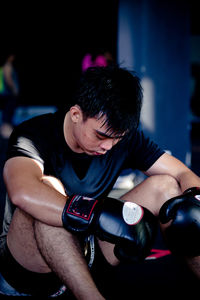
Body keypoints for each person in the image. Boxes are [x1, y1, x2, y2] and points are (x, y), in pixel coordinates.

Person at [0, 65, 200, 299]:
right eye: (101, 136)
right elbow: (22, 192)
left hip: (86, 252)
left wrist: (193, 198)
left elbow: (183, 174)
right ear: (76, 114)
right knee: (48, 190)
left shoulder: (120, 138)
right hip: (29, 269)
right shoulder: (33, 134)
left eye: (117, 139)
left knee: (168, 188)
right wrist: (95, 215)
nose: (108, 147)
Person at [0, 52, 19, 139]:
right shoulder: (8, 66)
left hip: (6, 94)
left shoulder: (5, 66)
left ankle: (5, 130)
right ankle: (6, 131)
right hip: (8, 93)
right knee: (8, 111)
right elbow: (8, 78)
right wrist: (14, 89)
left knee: (7, 112)